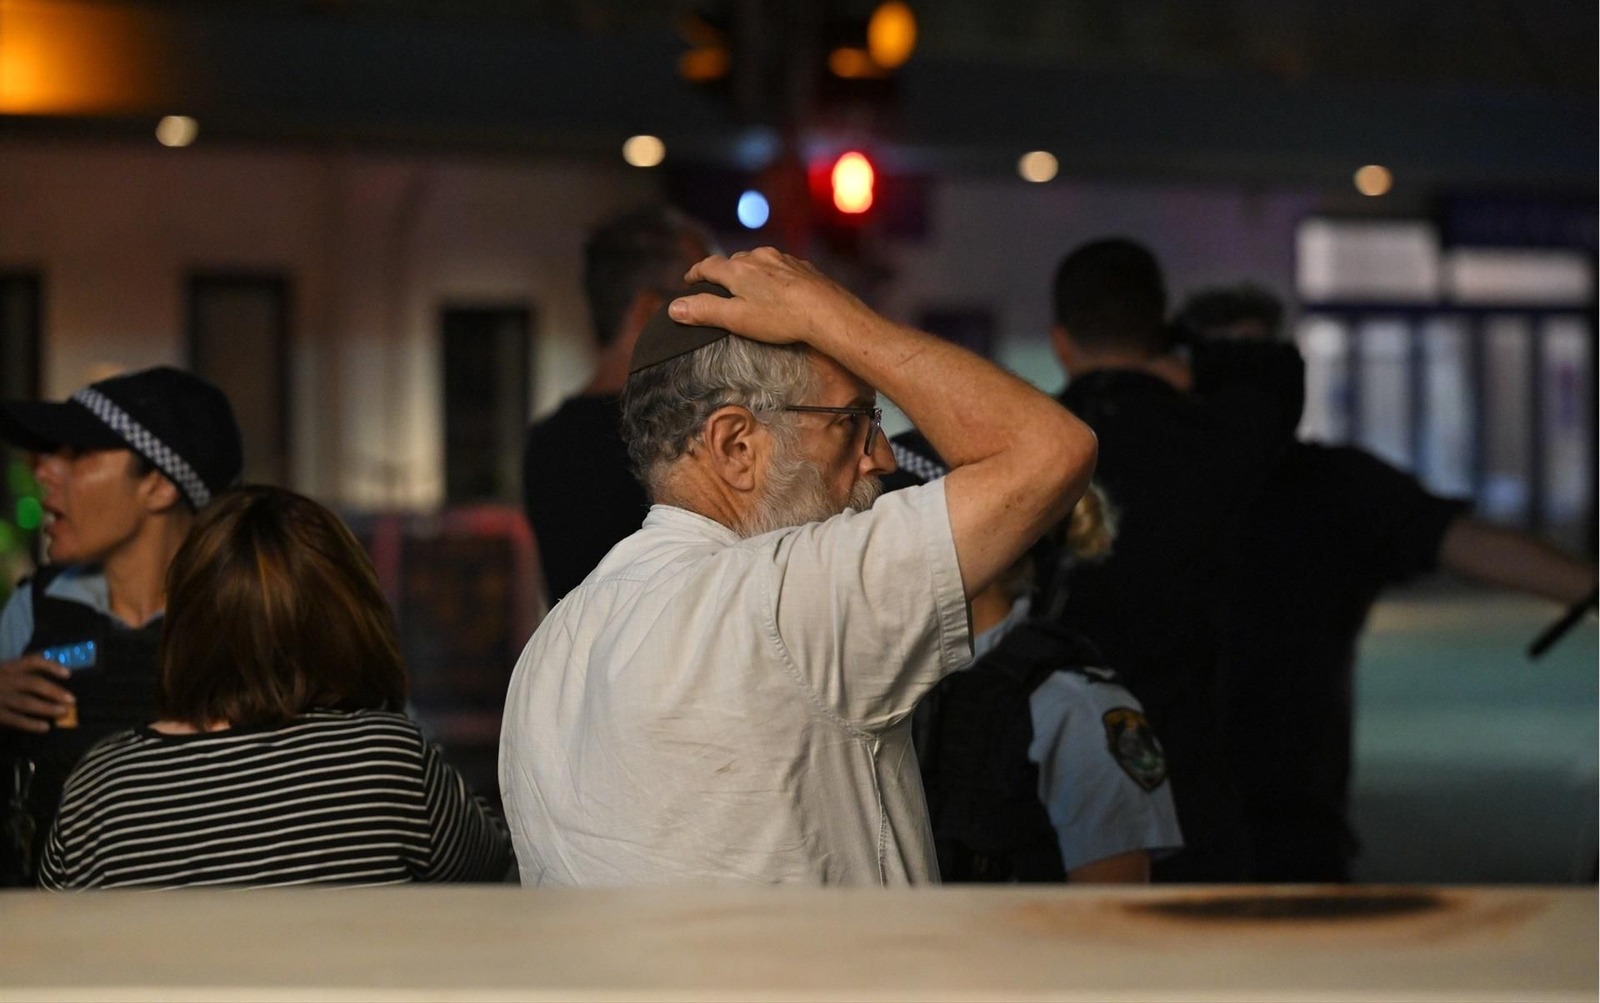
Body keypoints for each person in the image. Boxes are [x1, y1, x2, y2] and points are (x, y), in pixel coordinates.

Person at [499, 249, 1098, 886]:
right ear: (736, 447)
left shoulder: (551, 649)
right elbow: (1053, 450)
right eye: (852, 423)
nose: (884, 459)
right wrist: (835, 317)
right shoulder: (784, 602)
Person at [1175, 284, 1598, 883]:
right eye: (1231, 356)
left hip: (1297, 816)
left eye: (1261, 357)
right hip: (1173, 815)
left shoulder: (1332, 488)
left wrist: (1587, 584)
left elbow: (1466, 541)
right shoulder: (1153, 476)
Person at [39, 485, 511, 889]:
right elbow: (501, 880)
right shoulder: (386, 759)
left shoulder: (99, 787)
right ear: (346, 619)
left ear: (187, 621)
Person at [1046, 238, 1303, 882]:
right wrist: (1182, 345)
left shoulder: (1035, 442)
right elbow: (1277, 369)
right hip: (1192, 753)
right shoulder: (1217, 438)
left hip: (1049, 754)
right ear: (1160, 331)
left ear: (1060, 341)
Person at [885, 433, 1183, 884]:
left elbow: (1112, 924)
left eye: (885, 531)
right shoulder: (879, 680)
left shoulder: (1071, 706)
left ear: (975, 542)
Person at [0, 366, 242, 885]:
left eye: (78, 453)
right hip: (50, 939)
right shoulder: (33, 610)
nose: (43, 471)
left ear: (156, 485)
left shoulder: (253, 618)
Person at [521, 204, 715, 604]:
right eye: (703, 300)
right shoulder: (669, 435)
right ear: (649, 311)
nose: (721, 320)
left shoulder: (549, 442)